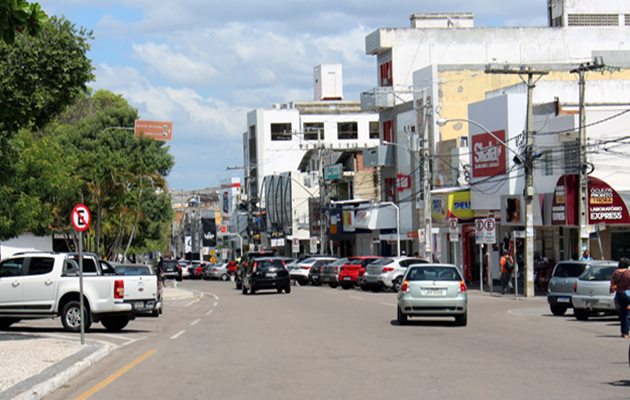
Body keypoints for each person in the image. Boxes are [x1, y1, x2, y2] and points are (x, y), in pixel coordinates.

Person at [610, 257, 630, 338]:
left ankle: (623, 332)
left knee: (622, 314)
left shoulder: (615, 272)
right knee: (628, 315)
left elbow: (612, 284)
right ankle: (626, 332)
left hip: (619, 294)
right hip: (628, 294)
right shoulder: (629, 273)